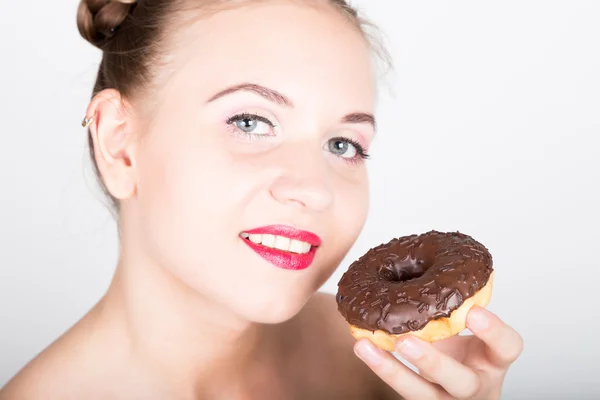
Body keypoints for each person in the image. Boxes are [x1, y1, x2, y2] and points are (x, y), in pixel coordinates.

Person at [0, 0, 523, 398]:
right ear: (120, 143)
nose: (315, 188)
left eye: (343, 144)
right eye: (250, 122)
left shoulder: (375, 363)